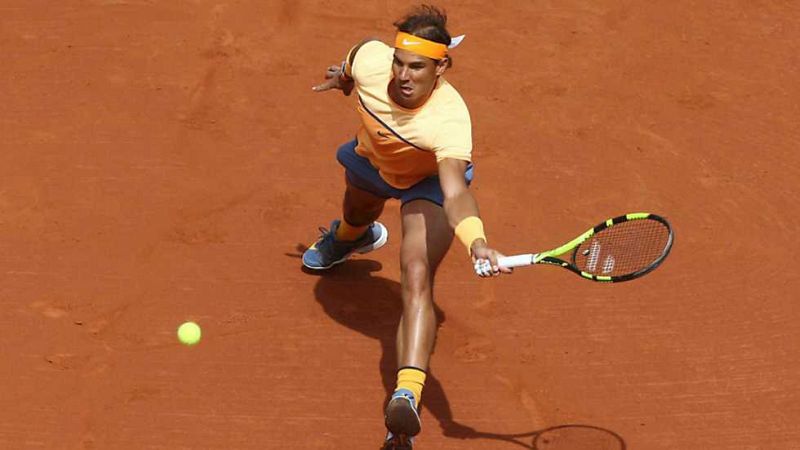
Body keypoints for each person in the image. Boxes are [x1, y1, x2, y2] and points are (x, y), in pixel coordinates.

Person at [303, 5, 512, 449]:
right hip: (373, 161)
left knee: (416, 271)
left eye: (416, 66)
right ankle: (351, 237)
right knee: (358, 211)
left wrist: (476, 241)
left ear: (441, 68)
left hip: (428, 183)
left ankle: (406, 398)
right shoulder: (369, 59)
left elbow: (456, 192)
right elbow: (351, 68)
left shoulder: (449, 119)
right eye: (399, 62)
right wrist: (343, 79)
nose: (402, 74)